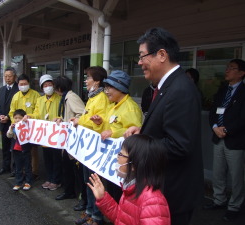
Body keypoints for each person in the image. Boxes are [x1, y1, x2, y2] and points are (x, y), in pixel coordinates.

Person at [124, 27, 204, 225]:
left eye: (143, 56)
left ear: (161, 55)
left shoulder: (180, 89)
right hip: (163, 188)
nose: (140, 63)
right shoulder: (167, 86)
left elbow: (178, 146)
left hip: (174, 192)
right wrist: (143, 132)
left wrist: (138, 146)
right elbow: (166, 128)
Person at [87, 134, 170, 225]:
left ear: (134, 164)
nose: (117, 157)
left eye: (121, 154)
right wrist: (103, 198)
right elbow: (122, 219)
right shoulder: (131, 188)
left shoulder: (153, 201)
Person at [90, 70, 142, 205]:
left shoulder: (130, 108)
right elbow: (106, 129)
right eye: (106, 87)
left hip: (123, 164)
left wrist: (113, 133)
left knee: (121, 196)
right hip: (112, 161)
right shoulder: (113, 107)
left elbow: (134, 134)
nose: (106, 91)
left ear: (120, 88)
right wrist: (99, 124)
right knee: (112, 193)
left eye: (109, 88)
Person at [205, 59, 245, 222]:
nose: (227, 70)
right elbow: (213, 111)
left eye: (232, 68)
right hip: (218, 137)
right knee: (218, 172)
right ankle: (219, 200)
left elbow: (243, 118)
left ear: (242, 73)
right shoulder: (222, 90)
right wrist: (215, 126)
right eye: (227, 67)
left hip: (235, 140)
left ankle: (235, 206)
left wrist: (227, 129)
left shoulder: (243, 92)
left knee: (236, 176)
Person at [71, 66, 109, 225]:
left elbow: (97, 121)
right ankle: (89, 211)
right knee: (88, 180)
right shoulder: (93, 97)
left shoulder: (102, 98)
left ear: (97, 81)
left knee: (94, 182)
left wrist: (80, 121)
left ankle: (97, 216)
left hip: (95, 149)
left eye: (88, 78)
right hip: (87, 148)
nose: (86, 81)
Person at [24, 74, 63, 191]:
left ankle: (56, 180)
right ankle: (49, 178)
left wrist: (59, 118)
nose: (48, 87)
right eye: (45, 85)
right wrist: (30, 116)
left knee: (56, 158)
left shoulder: (59, 98)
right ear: (42, 88)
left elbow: (63, 114)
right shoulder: (40, 100)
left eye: (50, 84)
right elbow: (36, 114)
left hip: (56, 134)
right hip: (44, 135)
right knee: (47, 157)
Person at [53, 76, 85, 201]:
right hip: (68, 139)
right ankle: (69, 191)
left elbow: (82, 114)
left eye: (55, 87)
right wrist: (62, 119)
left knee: (74, 168)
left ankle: (77, 193)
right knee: (67, 166)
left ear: (60, 88)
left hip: (74, 139)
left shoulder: (71, 98)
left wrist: (73, 121)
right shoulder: (66, 97)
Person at [9, 74, 40, 180]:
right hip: (19, 130)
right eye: (21, 84)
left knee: (33, 151)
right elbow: (12, 112)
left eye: (25, 84)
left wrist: (30, 117)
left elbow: (38, 111)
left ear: (29, 84)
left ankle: (34, 171)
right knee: (19, 150)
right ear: (18, 84)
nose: (23, 85)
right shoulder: (16, 96)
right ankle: (21, 171)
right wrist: (15, 123)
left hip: (31, 128)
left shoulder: (35, 95)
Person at [0, 67, 19, 175]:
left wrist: (9, 117)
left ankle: (15, 168)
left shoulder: (18, 89)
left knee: (14, 146)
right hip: (3, 122)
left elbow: (18, 108)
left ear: (14, 77)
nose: (7, 78)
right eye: (5, 76)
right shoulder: (2, 89)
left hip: (13, 122)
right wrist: (0, 115)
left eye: (9, 76)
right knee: (5, 145)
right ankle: (5, 167)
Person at [7, 109, 32, 191]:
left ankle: (28, 182)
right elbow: (9, 135)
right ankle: (18, 182)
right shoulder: (13, 127)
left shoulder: (27, 126)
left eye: (19, 118)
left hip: (25, 149)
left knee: (27, 166)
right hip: (16, 150)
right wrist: (11, 128)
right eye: (15, 118)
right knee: (18, 167)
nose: (17, 120)